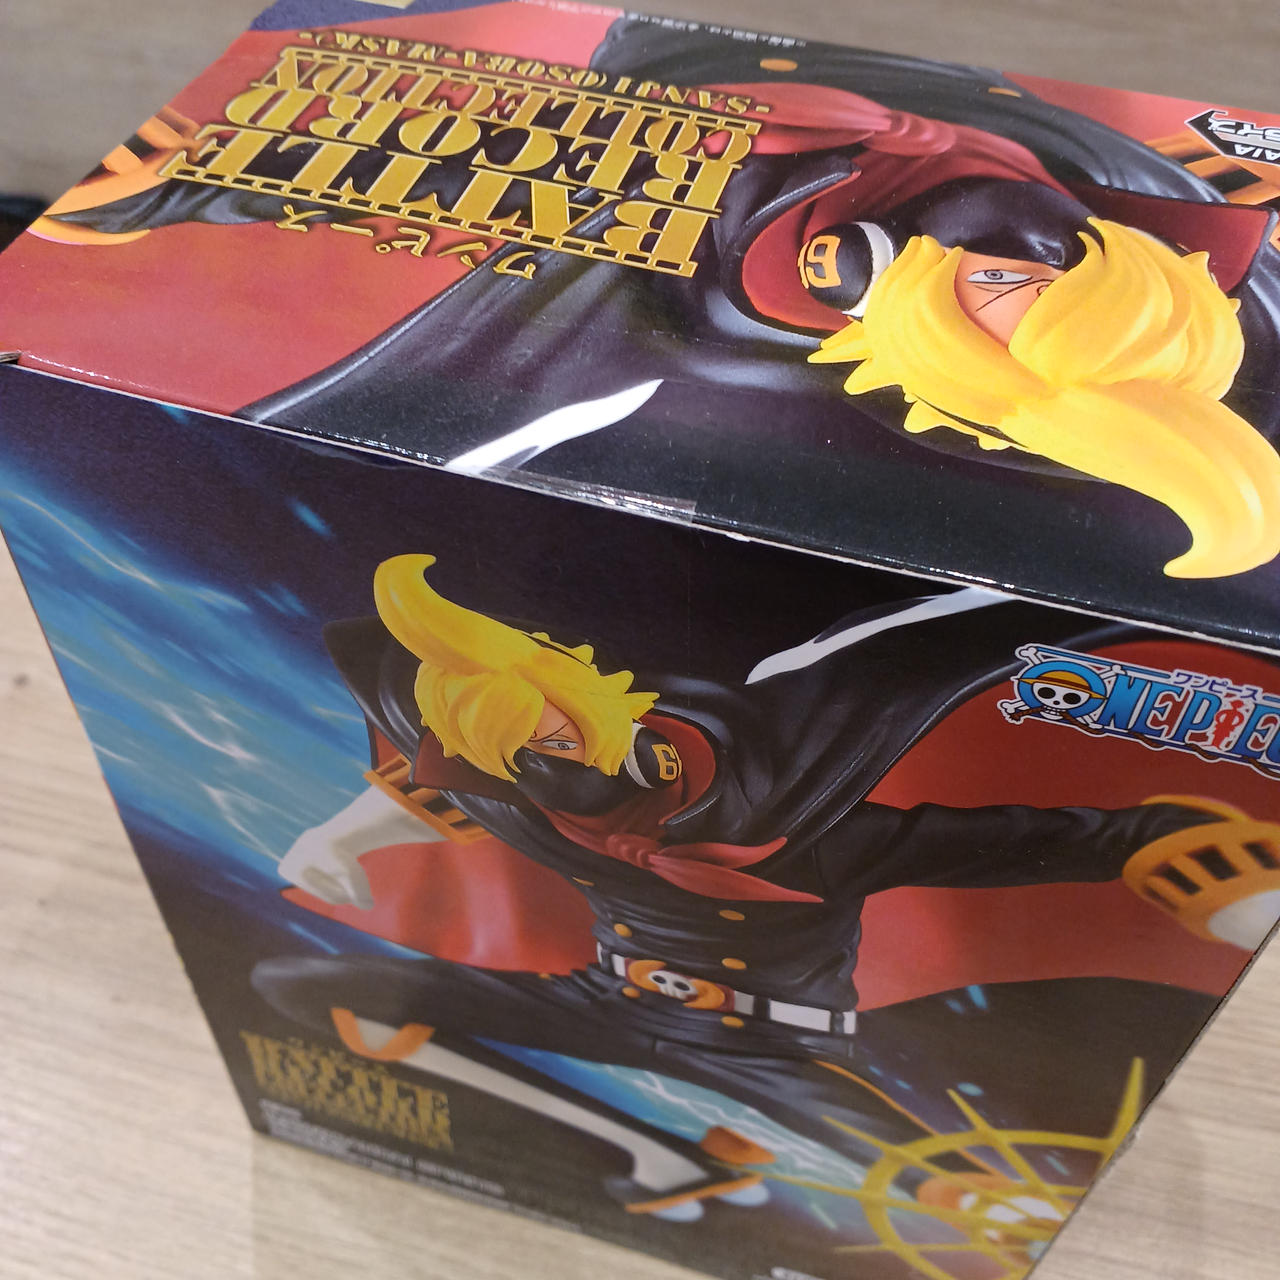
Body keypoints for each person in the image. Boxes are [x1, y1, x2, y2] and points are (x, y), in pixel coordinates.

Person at [252, 553, 1279, 1221]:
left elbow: (1050, 836)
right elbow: (448, 797)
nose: (547, 764)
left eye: (551, 730)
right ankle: (662, 1155)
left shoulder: (809, 819)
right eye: (519, 759)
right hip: (605, 999)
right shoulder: (525, 803)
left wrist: (1203, 869)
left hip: (776, 1045)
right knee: (308, 990)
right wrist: (341, 835)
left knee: (961, 1194)